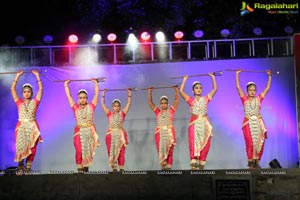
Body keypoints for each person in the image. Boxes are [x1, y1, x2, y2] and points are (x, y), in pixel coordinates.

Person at [179, 73, 217, 170]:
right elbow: (181, 91)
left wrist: (212, 77)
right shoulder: (190, 100)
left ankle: (201, 166)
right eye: (196, 88)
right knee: (193, 143)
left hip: (204, 123)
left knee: (205, 144)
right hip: (194, 123)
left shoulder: (206, 99)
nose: (199, 89)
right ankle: (193, 164)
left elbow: (215, 89)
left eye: (200, 88)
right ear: (193, 90)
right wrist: (185, 79)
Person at [236, 69, 272, 169]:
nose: (252, 92)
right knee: (250, 143)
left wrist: (269, 76)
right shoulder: (244, 99)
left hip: (259, 122)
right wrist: (237, 74)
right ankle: (250, 163)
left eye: (254, 90)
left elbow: (267, 88)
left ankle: (256, 163)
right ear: (247, 91)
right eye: (250, 90)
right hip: (247, 122)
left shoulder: (259, 98)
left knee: (260, 142)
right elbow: (238, 87)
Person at [11, 70, 43, 175]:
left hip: (32, 127)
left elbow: (41, 89)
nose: (26, 93)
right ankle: (20, 167)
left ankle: (28, 169)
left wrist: (37, 76)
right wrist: (17, 76)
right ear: (22, 93)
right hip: (21, 128)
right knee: (20, 148)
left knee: (32, 148)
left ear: (31, 93)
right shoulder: (19, 102)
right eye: (24, 91)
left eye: (28, 91)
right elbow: (12, 89)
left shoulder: (35, 102)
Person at [64, 79, 100, 173]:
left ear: (87, 98)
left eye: (84, 98)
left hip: (89, 131)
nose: (82, 99)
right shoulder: (75, 107)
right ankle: (79, 170)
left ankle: (86, 167)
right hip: (79, 131)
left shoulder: (92, 106)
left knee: (88, 151)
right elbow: (69, 96)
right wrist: (66, 85)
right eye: (80, 98)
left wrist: (95, 84)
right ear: (78, 99)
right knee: (79, 150)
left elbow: (96, 95)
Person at [148, 86, 179, 170]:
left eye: (165, 103)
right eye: (162, 103)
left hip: (170, 133)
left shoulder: (171, 110)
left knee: (170, 151)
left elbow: (176, 100)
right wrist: (150, 92)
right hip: (159, 133)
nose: (163, 104)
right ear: (160, 104)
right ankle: (162, 168)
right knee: (160, 150)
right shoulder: (157, 111)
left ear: (167, 104)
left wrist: (176, 90)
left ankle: (169, 168)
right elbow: (150, 103)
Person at [101, 89, 132, 172]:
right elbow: (103, 104)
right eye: (115, 106)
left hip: (120, 135)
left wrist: (129, 94)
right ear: (112, 107)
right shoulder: (109, 114)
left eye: (118, 106)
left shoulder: (122, 113)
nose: (116, 107)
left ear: (120, 107)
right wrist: (103, 94)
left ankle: (121, 169)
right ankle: (114, 168)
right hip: (111, 135)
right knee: (112, 151)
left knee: (121, 152)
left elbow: (128, 104)